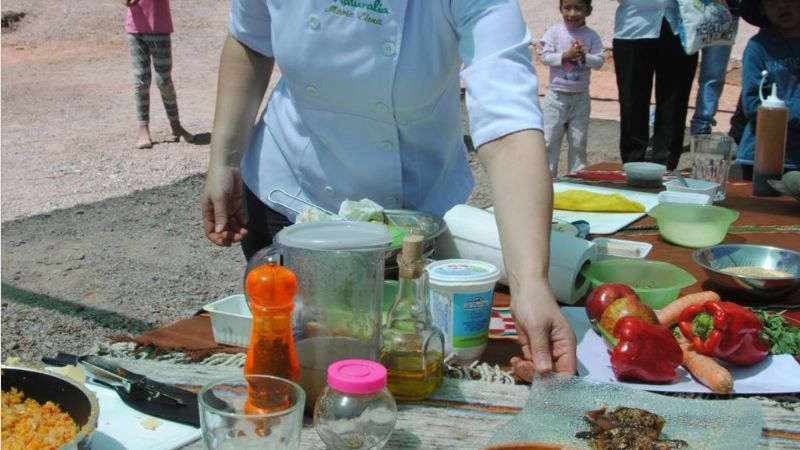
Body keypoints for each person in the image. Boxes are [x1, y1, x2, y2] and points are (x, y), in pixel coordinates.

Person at [201, 1, 577, 378]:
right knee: (293, 371)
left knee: (399, 368)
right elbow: (250, 41)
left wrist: (530, 282)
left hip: (407, 226)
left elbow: (509, 124)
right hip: (293, 193)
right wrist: (224, 159)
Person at [612, 0, 699, 170]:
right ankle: (633, 164)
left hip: (679, 25)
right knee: (632, 100)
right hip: (634, 26)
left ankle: (666, 165)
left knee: (674, 102)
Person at [735, 0, 799, 179]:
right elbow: (753, 104)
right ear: (762, 8)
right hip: (763, 158)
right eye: (772, 2)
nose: (782, 6)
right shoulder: (758, 48)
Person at [540, 0, 605, 177]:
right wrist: (566, 55)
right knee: (549, 141)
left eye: (578, 8)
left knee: (578, 142)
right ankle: (547, 182)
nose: (572, 13)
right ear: (560, 9)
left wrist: (585, 58)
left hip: (580, 98)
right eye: (567, 8)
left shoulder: (591, 36)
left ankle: (577, 179)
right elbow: (545, 57)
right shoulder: (554, 32)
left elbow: (599, 61)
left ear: (588, 11)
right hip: (556, 96)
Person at [122, 0, 193, 149]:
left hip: (159, 26)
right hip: (135, 28)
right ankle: (143, 130)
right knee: (141, 80)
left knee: (164, 81)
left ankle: (175, 124)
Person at [690, 1, 741, 137]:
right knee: (676, 73)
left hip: (724, 11)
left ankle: (702, 125)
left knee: (714, 75)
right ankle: (665, 122)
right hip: (689, 9)